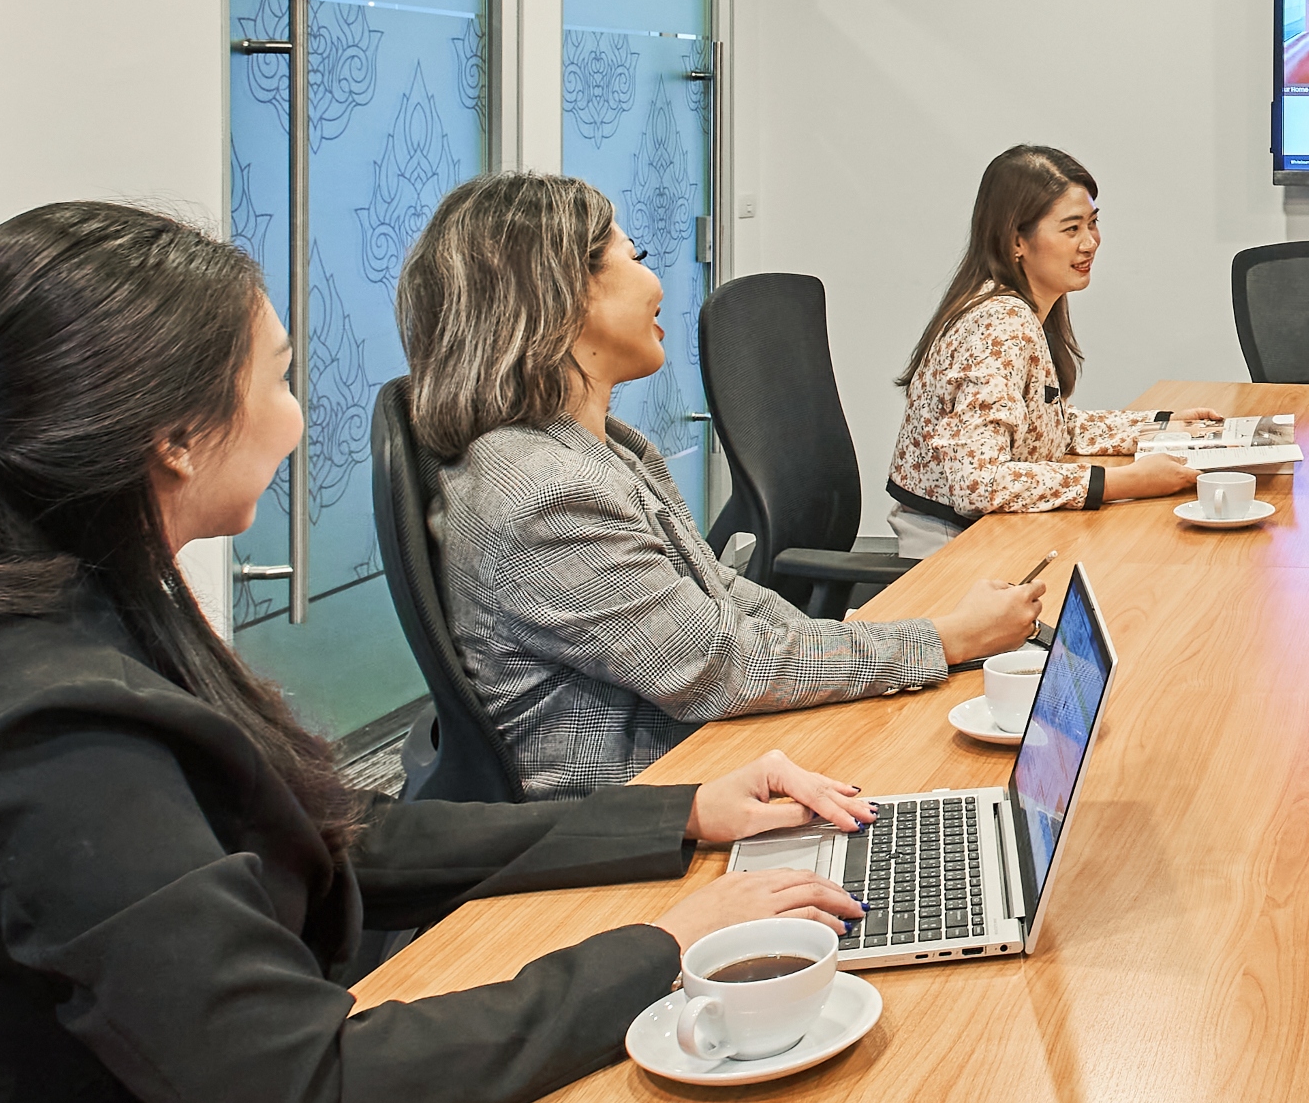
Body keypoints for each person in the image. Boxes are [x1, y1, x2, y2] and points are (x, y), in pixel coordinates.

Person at [0, 200, 870, 1103]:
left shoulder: (97, 600)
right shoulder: (61, 725)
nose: (297, 416)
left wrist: (678, 816)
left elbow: (334, 833)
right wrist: (658, 950)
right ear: (176, 441)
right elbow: (295, 1098)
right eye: (277, 377)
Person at [407, 175, 1046, 799]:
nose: (658, 283)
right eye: (637, 257)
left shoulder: (602, 446)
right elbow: (717, 665)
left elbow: (722, 597)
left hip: (703, 758)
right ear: (564, 296)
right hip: (644, 809)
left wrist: (907, 640)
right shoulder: (541, 492)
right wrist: (948, 639)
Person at [887, 144, 1216, 555]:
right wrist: (1122, 482)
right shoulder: (1001, 323)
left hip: (988, 532)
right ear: (1016, 242)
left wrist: (1160, 427)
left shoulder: (1021, 306)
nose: (1090, 243)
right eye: (1071, 229)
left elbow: (1045, 428)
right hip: (953, 550)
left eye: (1093, 224)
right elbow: (979, 484)